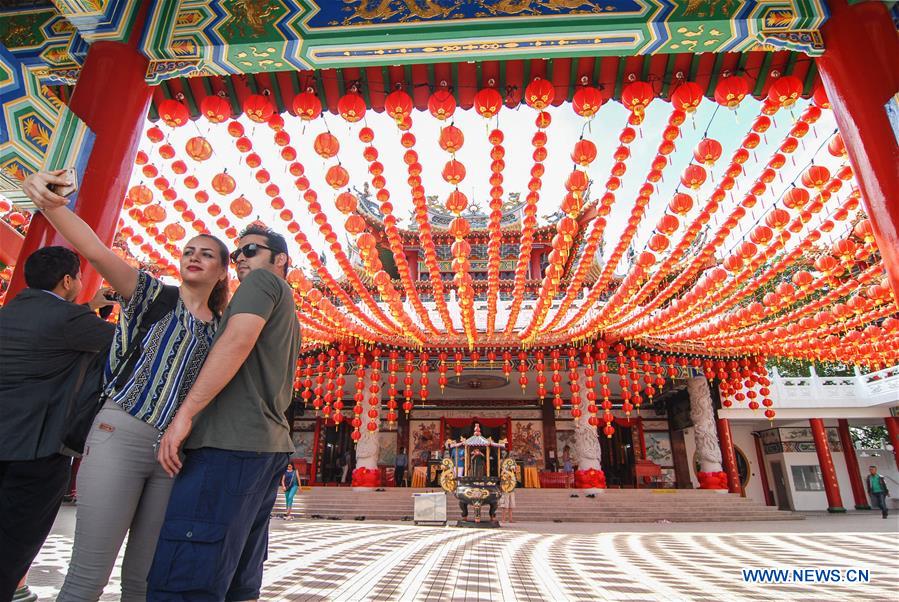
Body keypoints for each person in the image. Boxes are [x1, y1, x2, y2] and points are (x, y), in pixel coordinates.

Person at [23, 169, 230, 602]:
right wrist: (52, 205)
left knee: (145, 581)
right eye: (188, 251)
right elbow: (95, 251)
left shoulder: (221, 329)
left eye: (206, 254)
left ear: (223, 270)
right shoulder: (153, 294)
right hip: (120, 432)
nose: (193, 257)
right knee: (87, 577)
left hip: (173, 454)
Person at [151, 224, 301, 601]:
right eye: (236, 255)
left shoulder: (262, 283)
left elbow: (236, 340)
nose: (241, 260)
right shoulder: (285, 303)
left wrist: (185, 415)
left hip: (227, 444)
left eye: (251, 250)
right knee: (238, 576)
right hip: (263, 448)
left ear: (280, 259)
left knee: (186, 575)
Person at [0, 247, 115, 601]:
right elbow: (125, 345)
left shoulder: (9, 311)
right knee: (15, 544)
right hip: (36, 449)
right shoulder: (70, 320)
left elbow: (50, 330)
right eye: (78, 277)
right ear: (67, 280)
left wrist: (90, 307)